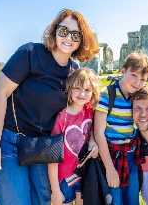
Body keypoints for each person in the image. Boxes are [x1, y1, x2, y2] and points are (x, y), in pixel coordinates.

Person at [0, 8, 99, 205]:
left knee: (44, 200)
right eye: (64, 31)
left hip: (44, 147)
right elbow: (1, 93)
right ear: (54, 30)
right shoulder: (31, 53)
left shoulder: (75, 72)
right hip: (9, 140)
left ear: (82, 40)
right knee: (16, 200)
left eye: (76, 34)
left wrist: (93, 139)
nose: (69, 38)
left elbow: (86, 110)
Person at [94, 53, 148, 205]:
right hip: (111, 156)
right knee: (115, 199)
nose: (137, 82)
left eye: (142, 79)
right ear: (123, 70)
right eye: (133, 75)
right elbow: (98, 133)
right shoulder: (107, 94)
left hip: (132, 155)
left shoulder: (138, 94)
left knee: (133, 197)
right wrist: (109, 168)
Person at [48, 68, 100, 205]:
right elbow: (52, 157)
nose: (82, 94)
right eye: (77, 88)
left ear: (93, 93)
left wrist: (93, 142)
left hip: (83, 175)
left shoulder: (90, 111)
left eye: (87, 90)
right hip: (63, 179)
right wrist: (55, 190)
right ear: (69, 89)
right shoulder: (62, 117)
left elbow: (93, 130)